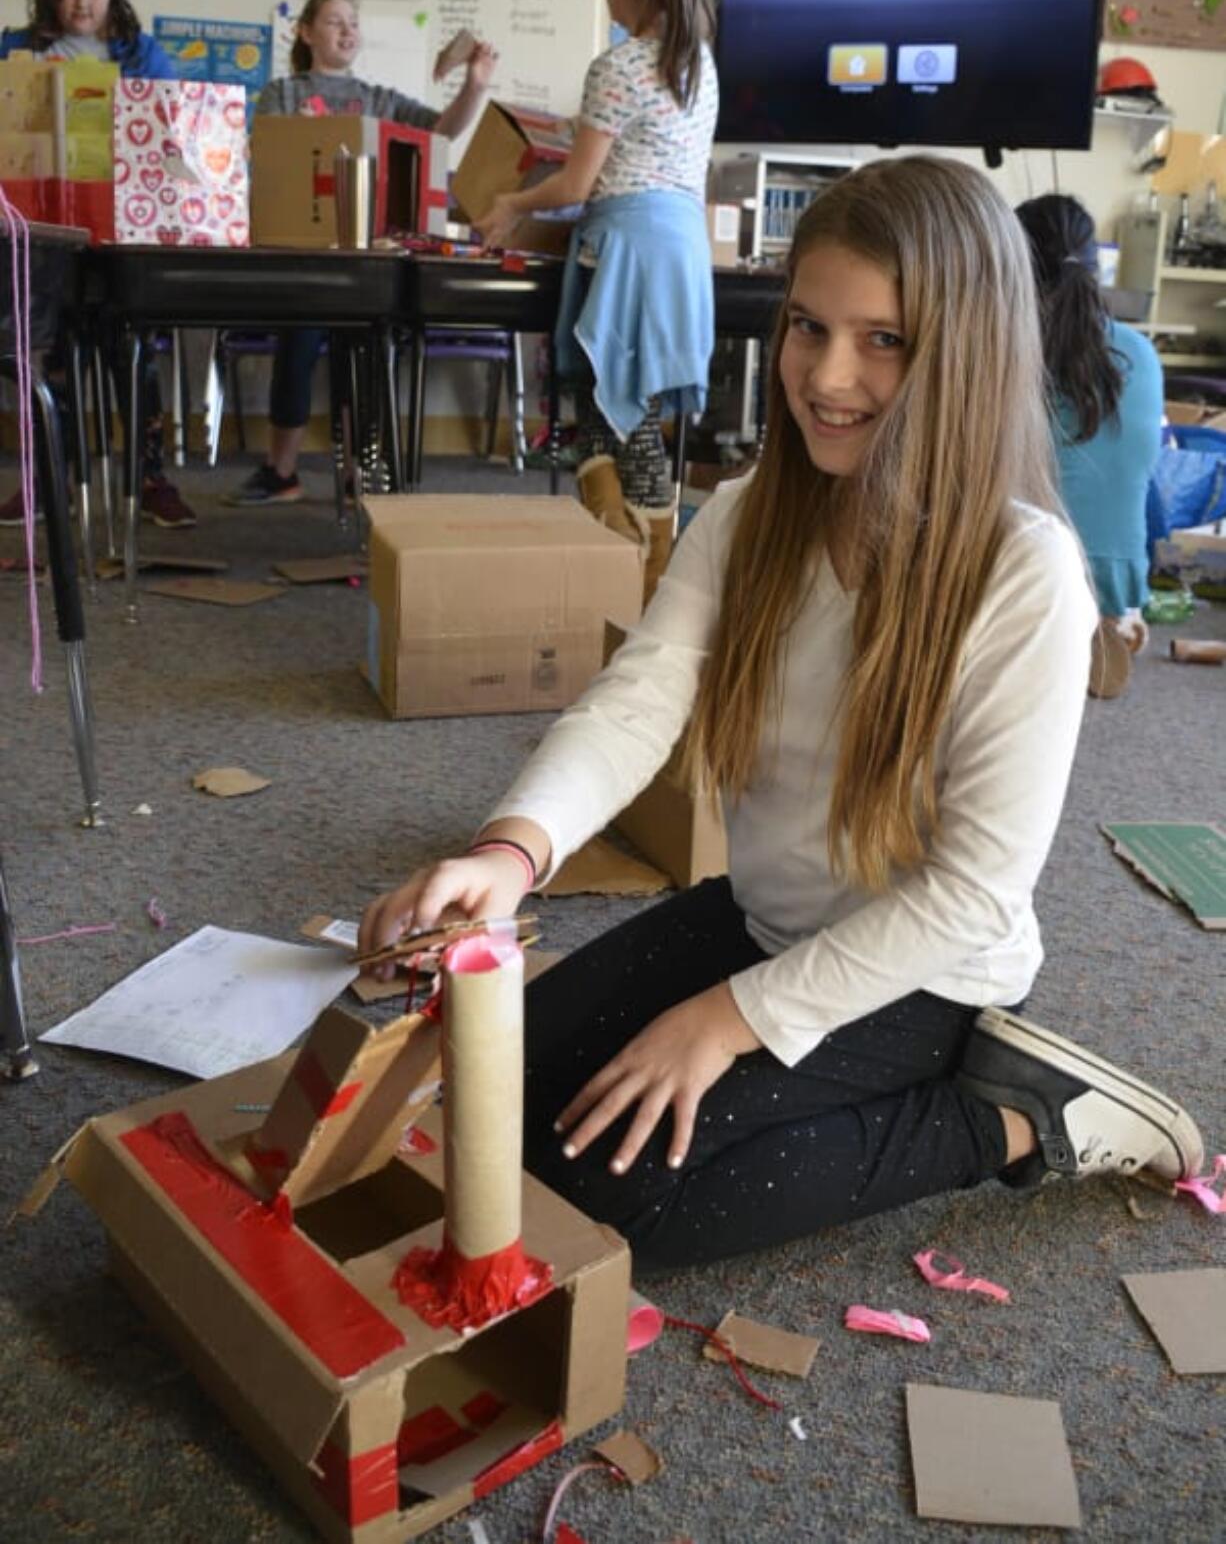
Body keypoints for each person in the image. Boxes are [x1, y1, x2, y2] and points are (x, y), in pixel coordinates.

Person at [358, 156, 1203, 1274]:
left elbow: (968, 895)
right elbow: (639, 697)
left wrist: (725, 1020)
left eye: (881, 339)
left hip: (922, 976)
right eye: (807, 328)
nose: (825, 375)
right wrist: (513, 853)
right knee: (492, 1096)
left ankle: (1009, 1115)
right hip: (762, 915)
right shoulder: (758, 506)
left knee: (606, 1201)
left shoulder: (1025, 572)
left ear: (965, 356)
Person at [477, 0, 719, 601]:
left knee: (607, 422)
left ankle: (635, 585)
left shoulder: (619, 65)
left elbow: (577, 185)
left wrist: (511, 204)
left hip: (627, 257)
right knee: (642, 419)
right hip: (681, 256)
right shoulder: (701, 65)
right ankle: (641, 579)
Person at [226, 0, 496, 505]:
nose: (348, 32)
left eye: (354, 23)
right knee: (297, 341)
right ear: (305, 33)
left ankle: (359, 471)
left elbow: (442, 134)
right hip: (302, 251)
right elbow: (269, 158)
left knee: (366, 348)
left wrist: (474, 87)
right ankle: (281, 470)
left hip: (365, 255)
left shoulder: (379, 98)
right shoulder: (281, 93)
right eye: (334, 22)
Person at [0, 0, 194, 528]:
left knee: (131, 345)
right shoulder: (17, 48)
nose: (81, 4)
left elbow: (174, 143)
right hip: (43, 233)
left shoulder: (142, 54)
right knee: (36, 347)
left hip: (119, 233)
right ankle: (42, 477)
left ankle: (150, 476)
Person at [1016, 194, 1164, 700]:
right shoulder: (1141, 353)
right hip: (1120, 583)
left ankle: (1052, 633)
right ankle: (1107, 626)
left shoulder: (1013, 350)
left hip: (1032, 574)